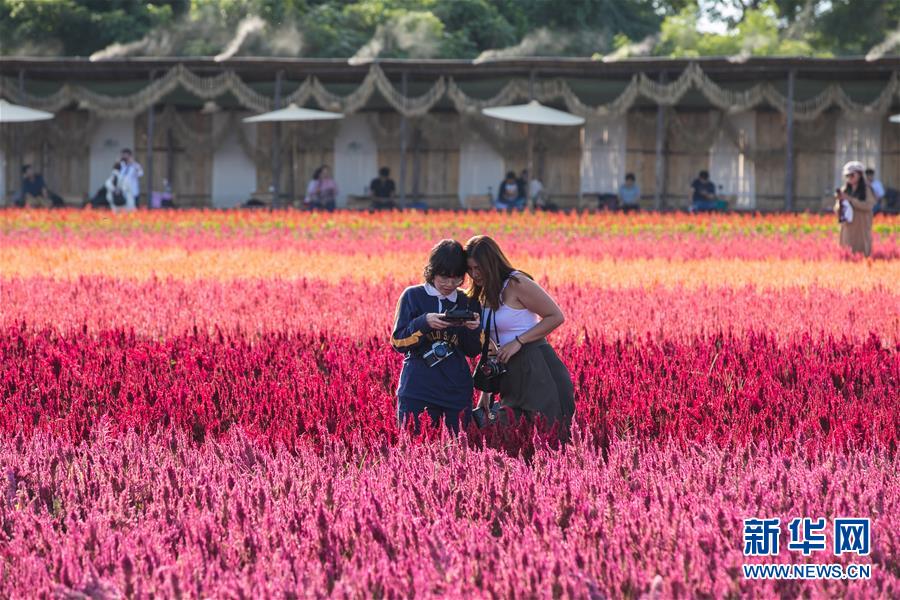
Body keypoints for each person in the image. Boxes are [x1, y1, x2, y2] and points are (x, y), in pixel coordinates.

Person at [465, 235, 574, 429]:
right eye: (470, 269)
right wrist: (487, 391)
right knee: (508, 432)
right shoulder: (483, 292)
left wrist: (519, 341)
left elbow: (555, 316)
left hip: (536, 367)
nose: (475, 274)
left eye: (479, 268)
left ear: (492, 263)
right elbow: (491, 344)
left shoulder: (517, 283)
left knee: (546, 433)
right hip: (509, 371)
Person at [391, 240, 483, 433]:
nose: (450, 284)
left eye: (457, 279)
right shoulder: (413, 296)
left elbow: (473, 351)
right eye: (444, 278)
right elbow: (398, 342)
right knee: (413, 451)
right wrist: (424, 322)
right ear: (432, 272)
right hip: (418, 389)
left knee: (458, 454)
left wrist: (473, 329)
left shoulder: (468, 301)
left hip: (456, 392)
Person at [834, 161, 875, 257]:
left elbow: (869, 206)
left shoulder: (866, 190)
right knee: (847, 251)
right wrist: (840, 203)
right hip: (848, 227)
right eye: (847, 176)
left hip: (861, 227)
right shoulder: (844, 189)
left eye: (852, 175)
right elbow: (836, 209)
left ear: (860, 175)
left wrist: (851, 200)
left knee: (861, 252)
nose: (849, 178)